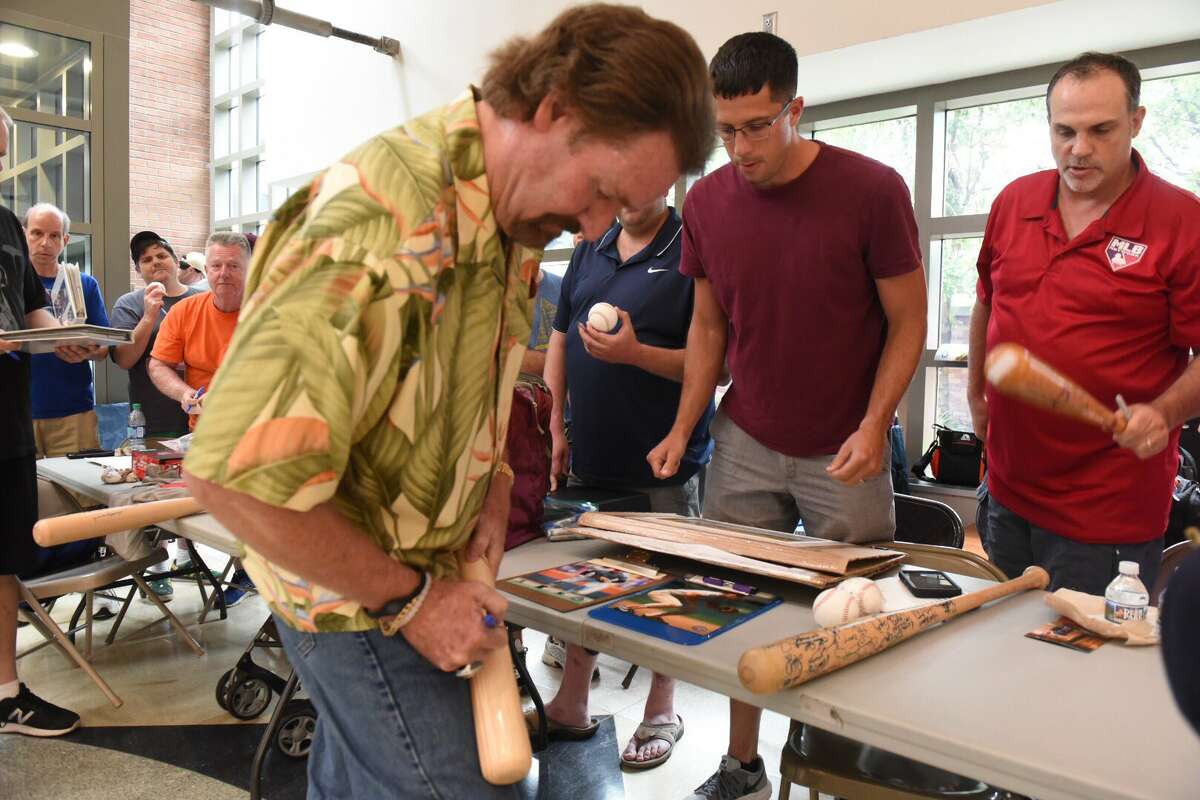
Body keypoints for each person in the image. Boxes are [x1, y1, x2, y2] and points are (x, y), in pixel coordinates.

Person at [181, 5, 713, 797]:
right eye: (601, 190)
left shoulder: (510, 218)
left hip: (421, 570)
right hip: (356, 593)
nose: (595, 226)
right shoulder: (379, 226)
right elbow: (232, 479)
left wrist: (490, 481)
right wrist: (414, 603)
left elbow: (462, 385)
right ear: (553, 107)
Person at [647, 33, 926, 800]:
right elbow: (708, 327)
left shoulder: (872, 190)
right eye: (725, 131)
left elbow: (908, 321)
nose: (740, 149)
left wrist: (876, 424)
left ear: (795, 109)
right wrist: (683, 427)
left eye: (757, 127)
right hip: (746, 438)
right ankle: (742, 767)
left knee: (854, 614)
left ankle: (842, 773)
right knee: (734, 605)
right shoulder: (705, 202)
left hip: (847, 445)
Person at [967, 52, 1200, 595]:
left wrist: (1163, 413)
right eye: (1065, 131)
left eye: (1101, 130)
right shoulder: (1015, 201)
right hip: (1006, 491)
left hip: (1107, 513)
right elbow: (987, 302)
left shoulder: (1183, 220)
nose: (1079, 149)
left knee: (1080, 651)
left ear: (1136, 122)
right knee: (998, 640)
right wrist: (976, 394)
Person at [540, 196, 713, 769]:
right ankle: (572, 702)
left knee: (666, 590)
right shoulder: (590, 246)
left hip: (663, 461)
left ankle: (662, 711)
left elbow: (715, 363)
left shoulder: (691, 246)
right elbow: (561, 339)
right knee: (586, 582)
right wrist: (555, 423)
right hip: (592, 453)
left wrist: (636, 354)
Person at [0, 104, 82, 736]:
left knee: (5, 554)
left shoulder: (5, 222)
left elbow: (32, 309)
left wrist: (65, 338)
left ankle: (6, 692)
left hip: (8, 419)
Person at [148, 231, 251, 604]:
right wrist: (184, 394)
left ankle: (249, 573)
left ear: (249, 269)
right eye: (216, 265)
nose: (224, 274)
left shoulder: (271, 314)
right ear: (205, 269)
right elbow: (158, 365)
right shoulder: (185, 311)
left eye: (233, 266)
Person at [23, 203, 110, 458]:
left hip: (74, 410)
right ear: (23, 234)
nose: (45, 243)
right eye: (37, 233)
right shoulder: (9, 283)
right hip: (17, 409)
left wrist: (86, 351)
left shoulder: (84, 284)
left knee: (77, 483)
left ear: (65, 240)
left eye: (54, 235)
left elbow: (103, 349)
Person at [111, 231, 202, 441]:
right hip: (153, 418)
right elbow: (124, 360)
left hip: (202, 415)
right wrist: (148, 316)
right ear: (137, 270)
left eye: (162, 256)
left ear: (176, 262)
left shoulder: (203, 299)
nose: (155, 262)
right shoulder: (128, 304)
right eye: (146, 260)